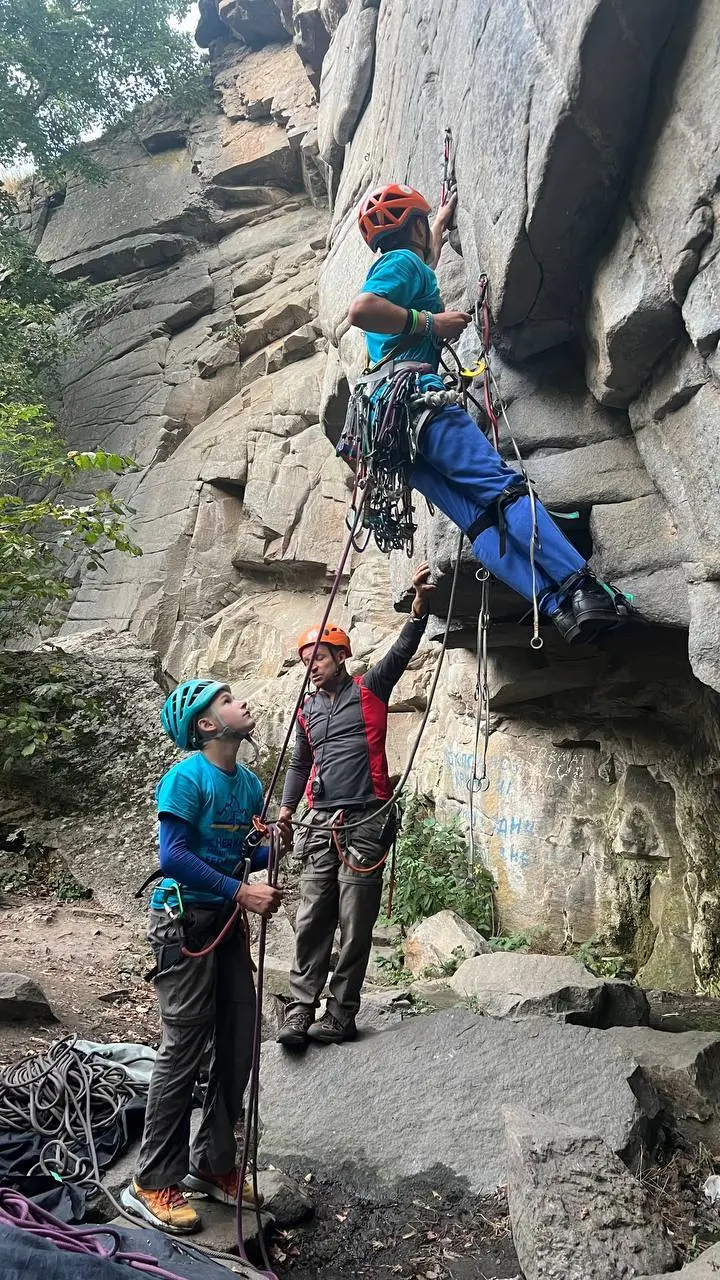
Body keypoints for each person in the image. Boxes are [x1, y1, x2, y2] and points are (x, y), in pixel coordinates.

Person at [345, 183, 633, 645]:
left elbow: (425, 267)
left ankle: (556, 607)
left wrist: (438, 221)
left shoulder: (410, 266)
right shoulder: (400, 263)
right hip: (419, 403)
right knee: (503, 493)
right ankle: (581, 588)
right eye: (424, 226)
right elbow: (361, 310)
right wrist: (430, 324)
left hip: (390, 435)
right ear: (412, 227)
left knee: (478, 520)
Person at [122, 679, 283, 1235]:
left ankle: (213, 1162)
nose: (242, 702)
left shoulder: (251, 783)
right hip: (185, 922)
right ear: (208, 725)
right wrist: (241, 890)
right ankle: (152, 1180)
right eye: (226, 700)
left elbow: (244, 850)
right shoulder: (188, 777)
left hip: (227, 924)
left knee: (238, 1040)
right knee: (184, 1045)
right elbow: (174, 856)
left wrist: (280, 841)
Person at [275, 564, 435, 1047]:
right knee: (311, 917)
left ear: (341, 657)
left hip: (365, 818)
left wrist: (417, 611)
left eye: (320, 657)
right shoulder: (306, 709)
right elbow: (300, 763)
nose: (313, 666)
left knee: (355, 922)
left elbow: (401, 653)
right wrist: (285, 809)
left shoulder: (370, 688)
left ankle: (341, 1014)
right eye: (307, 660)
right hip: (319, 820)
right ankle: (301, 1009)